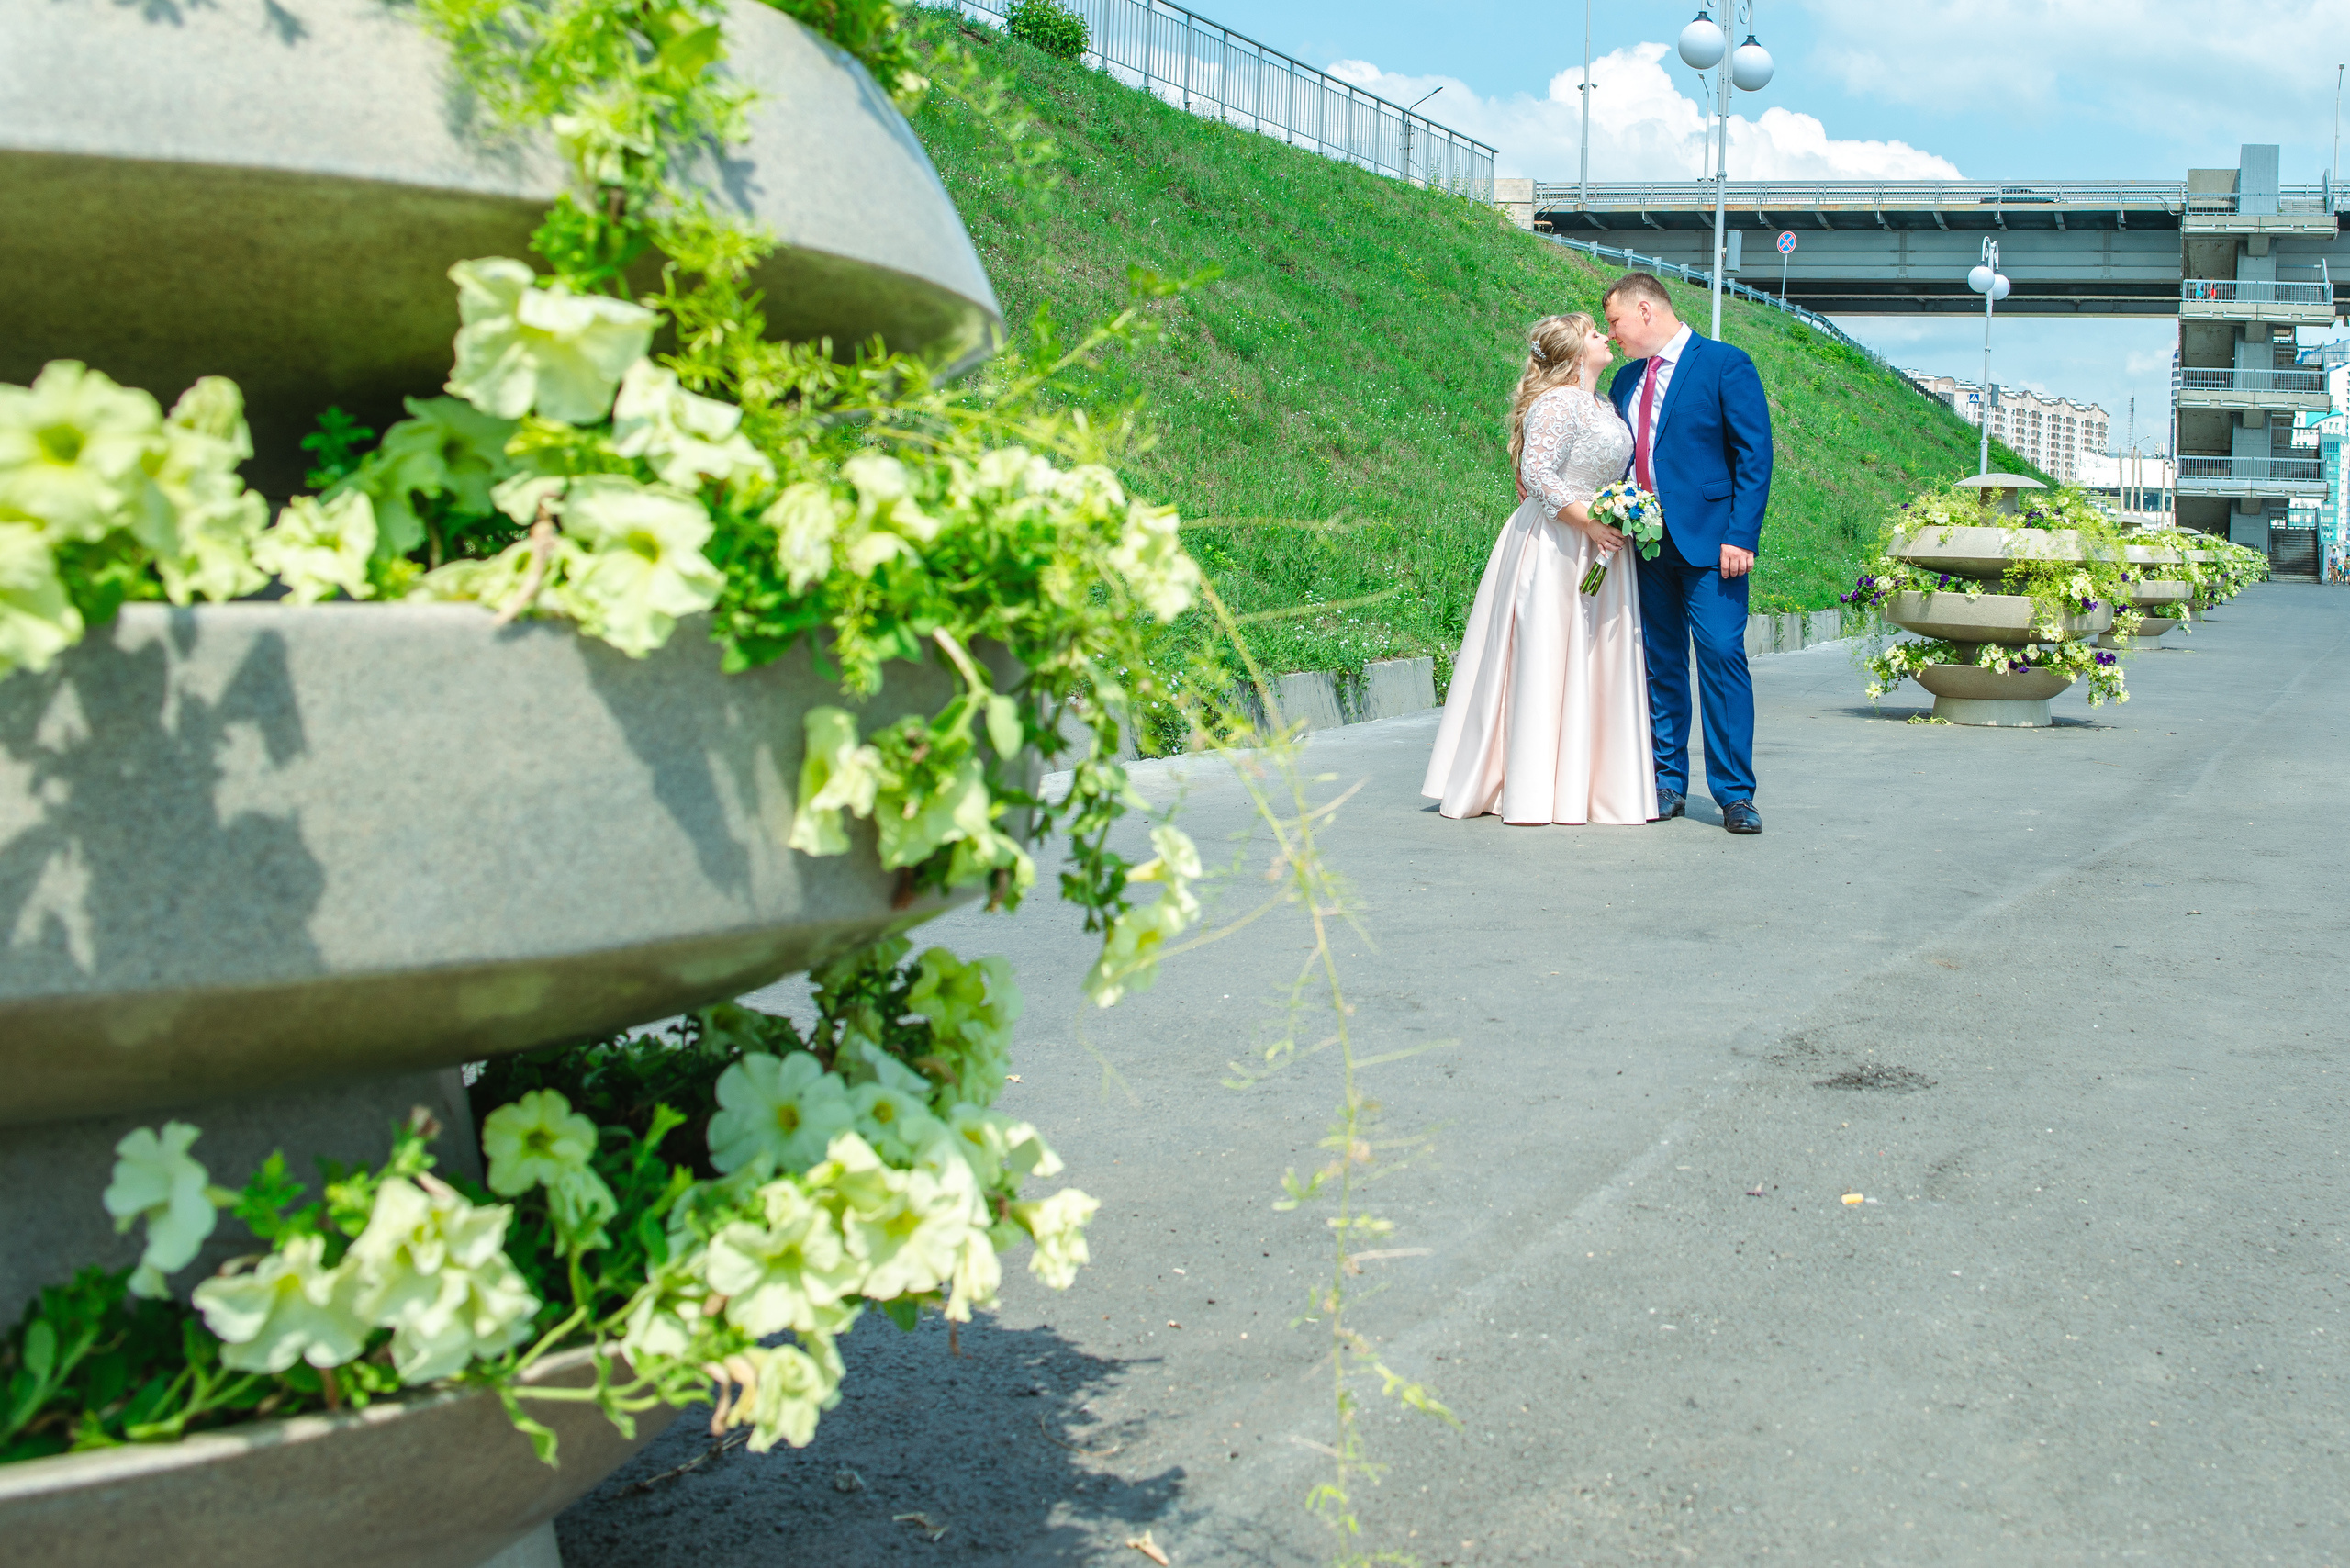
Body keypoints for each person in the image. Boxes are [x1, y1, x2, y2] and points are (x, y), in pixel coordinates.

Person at [1421, 313, 1659, 826]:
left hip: (1600, 546)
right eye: (1595, 332)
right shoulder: (1556, 403)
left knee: (1593, 656)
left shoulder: (1603, 404)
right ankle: (1531, 782)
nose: (1605, 336)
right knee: (1546, 651)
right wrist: (1589, 522)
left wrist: (1621, 513)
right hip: (1556, 542)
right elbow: (1537, 473)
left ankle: (1589, 784)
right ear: (1576, 353)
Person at [1602, 273, 1774, 836]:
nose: (1613, 334)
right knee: (1661, 662)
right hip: (1646, 547)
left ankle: (1735, 795)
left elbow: (1754, 455)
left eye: (1616, 322)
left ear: (1645, 310)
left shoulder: (1725, 364)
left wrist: (1742, 536)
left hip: (1712, 546)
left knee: (1722, 657)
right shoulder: (1626, 380)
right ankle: (1667, 779)